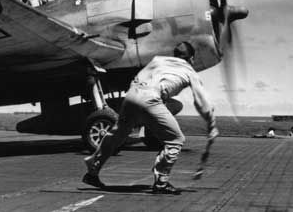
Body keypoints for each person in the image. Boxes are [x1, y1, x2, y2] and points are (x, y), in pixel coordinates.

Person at [82, 42, 218, 195]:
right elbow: (201, 102)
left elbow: (138, 77)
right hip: (150, 98)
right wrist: (211, 125)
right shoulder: (189, 71)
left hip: (132, 95)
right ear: (191, 59)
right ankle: (161, 182)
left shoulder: (158, 60)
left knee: (118, 135)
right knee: (176, 140)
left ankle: (92, 171)